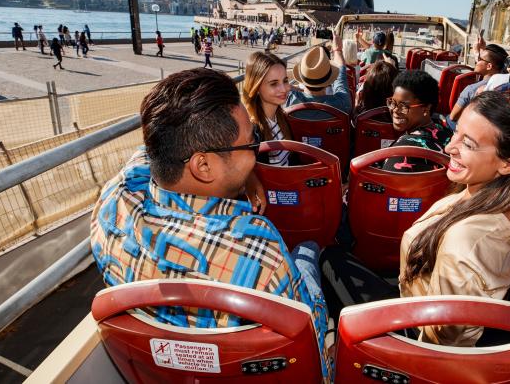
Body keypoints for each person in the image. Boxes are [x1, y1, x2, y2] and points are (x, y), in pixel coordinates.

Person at [89, 68, 332, 379]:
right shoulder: (258, 250)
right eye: (250, 143)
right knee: (308, 251)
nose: (255, 152)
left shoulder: (114, 197)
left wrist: (247, 173)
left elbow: (147, 153)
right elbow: (308, 345)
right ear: (203, 165)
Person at [321, 90, 510, 345]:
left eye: (469, 144)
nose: (450, 147)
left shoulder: (464, 242)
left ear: (509, 164)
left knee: (327, 259)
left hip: (414, 331)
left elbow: (445, 339)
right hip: (420, 301)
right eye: (456, 132)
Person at [381, 71, 452, 172]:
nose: (395, 110)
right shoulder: (446, 134)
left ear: (426, 108)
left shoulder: (402, 152)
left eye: (404, 106)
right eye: (393, 103)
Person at [242, 52, 294, 166]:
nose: (284, 89)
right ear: (256, 87)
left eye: (285, 81)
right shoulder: (253, 132)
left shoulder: (281, 117)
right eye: (274, 84)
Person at [285, 39, 352, 119]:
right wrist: (337, 50)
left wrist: (296, 88)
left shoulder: (288, 98)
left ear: (302, 78)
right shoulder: (342, 104)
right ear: (329, 82)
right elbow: (341, 78)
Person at [449, 39, 508, 123]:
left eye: (479, 59)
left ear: (489, 66)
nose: (477, 61)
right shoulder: (506, 84)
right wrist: (478, 51)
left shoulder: (472, 90)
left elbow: (453, 117)